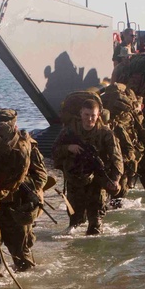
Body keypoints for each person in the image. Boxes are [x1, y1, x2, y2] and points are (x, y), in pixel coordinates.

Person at [52, 98, 123, 235]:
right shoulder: (70, 131)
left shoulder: (105, 133)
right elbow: (54, 150)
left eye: (93, 116)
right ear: (81, 113)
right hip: (75, 179)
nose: (90, 119)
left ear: (98, 115)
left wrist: (115, 179)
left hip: (97, 180)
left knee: (95, 225)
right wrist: (68, 148)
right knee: (75, 223)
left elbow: (117, 158)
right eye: (86, 115)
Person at [0, 109, 48, 271]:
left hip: (17, 208)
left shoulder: (26, 145)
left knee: (23, 261)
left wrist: (17, 181)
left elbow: (41, 177)